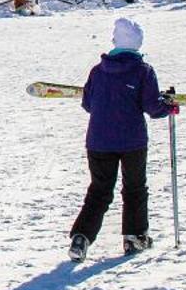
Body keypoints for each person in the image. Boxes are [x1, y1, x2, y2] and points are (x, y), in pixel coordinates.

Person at [69, 18, 179, 262]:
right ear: (138, 44)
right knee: (135, 188)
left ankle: (81, 237)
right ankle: (135, 236)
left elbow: (88, 103)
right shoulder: (143, 70)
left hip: (98, 141)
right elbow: (152, 106)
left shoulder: (98, 71)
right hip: (132, 141)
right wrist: (167, 107)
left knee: (99, 190)